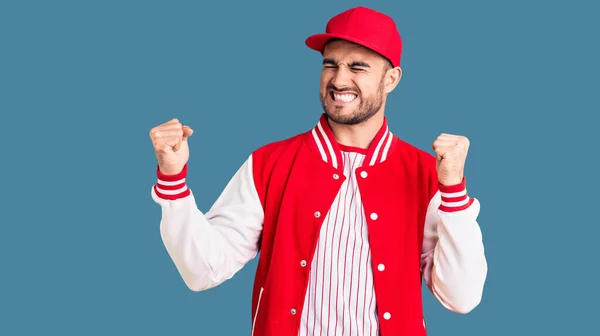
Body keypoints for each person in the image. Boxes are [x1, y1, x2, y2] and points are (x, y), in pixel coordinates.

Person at [149, 6, 487, 336]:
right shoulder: (269, 164)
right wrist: (173, 179)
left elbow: (461, 297)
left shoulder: (426, 174)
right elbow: (202, 270)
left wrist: (454, 191)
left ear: (391, 79)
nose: (339, 79)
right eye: (330, 64)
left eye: (358, 67)